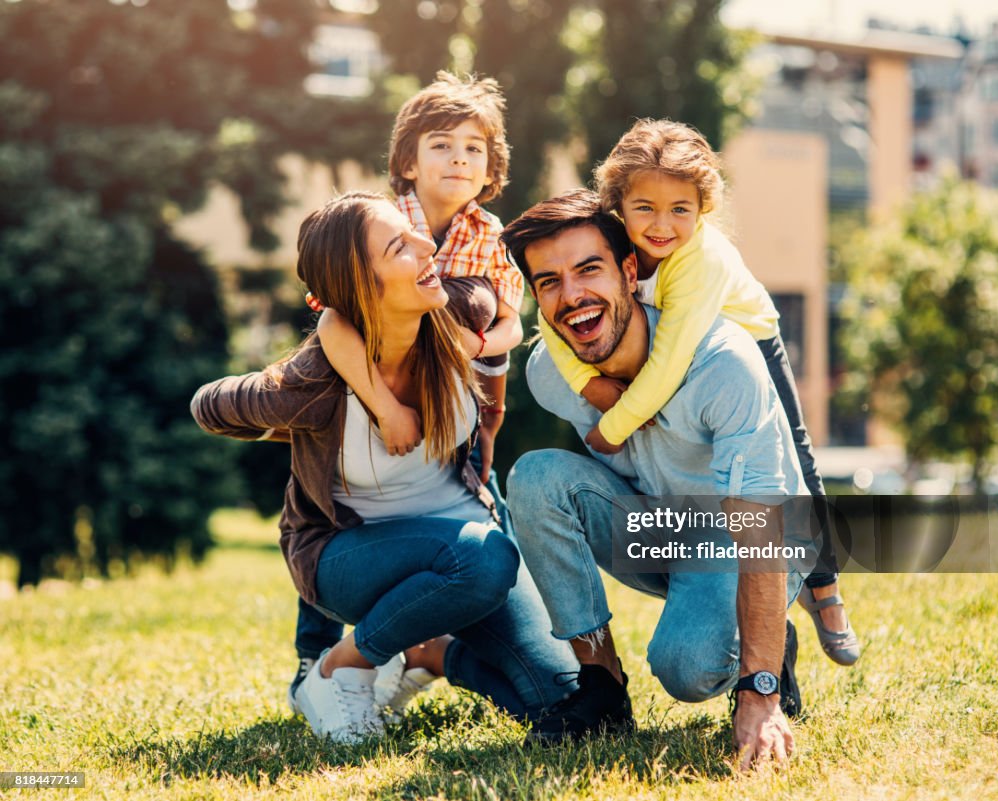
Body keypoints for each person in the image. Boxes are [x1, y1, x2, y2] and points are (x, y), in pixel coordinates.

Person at [191, 191, 576, 743]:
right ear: (360, 290)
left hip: (464, 537)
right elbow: (207, 404)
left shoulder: (457, 311)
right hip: (352, 557)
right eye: (400, 246)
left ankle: (432, 655)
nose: (427, 246)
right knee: (487, 559)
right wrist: (311, 420)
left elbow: (506, 317)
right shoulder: (317, 382)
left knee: (567, 707)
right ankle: (339, 666)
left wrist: (489, 414)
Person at [501, 189, 809, 769]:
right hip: (664, 526)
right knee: (537, 478)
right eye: (548, 282)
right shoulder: (549, 374)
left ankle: (768, 646)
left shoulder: (722, 363)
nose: (572, 297)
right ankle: (600, 688)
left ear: (628, 270)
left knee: (688, 671)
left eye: (588, 269)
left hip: (753, 538)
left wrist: (760, 691)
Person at [537, 119, 859, 666]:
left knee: (796, 465)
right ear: (617, 204)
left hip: (744, 343)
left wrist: (613, 426)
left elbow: (665, 368)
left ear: (702, 209)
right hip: (674, 349)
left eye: (679, 210)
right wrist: (588, 383)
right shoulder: (605, 240)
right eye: (644, 209)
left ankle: (824, 590)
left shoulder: (699, 260)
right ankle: (739, 608)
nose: (661, 226)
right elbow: (550, 319)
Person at [292, 71, 527, 709]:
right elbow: (332, 319)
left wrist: (480, 349)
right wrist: (383, 403)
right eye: (441, 145)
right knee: (338, 510)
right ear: (407, 161)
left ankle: (430, 648)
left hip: (462, 403)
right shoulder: (382, 221)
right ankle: (316, 659)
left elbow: (511, 318)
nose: (458, 159)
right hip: (371, 405)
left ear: (491, 168)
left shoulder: (490, 234)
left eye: (474, 149)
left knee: (484, 505)